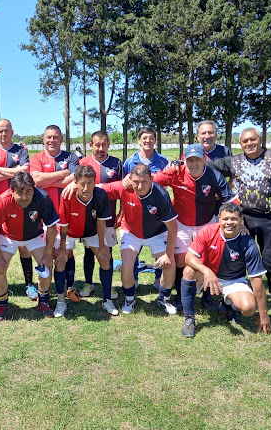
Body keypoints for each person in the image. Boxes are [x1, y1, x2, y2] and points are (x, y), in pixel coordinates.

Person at [210, 128, 271, 323]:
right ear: (240, 143)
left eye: (252, 139)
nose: (249, 143)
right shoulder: (234, 161)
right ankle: (230, 302)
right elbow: (208, 166)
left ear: (260, 139)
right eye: (244, 141)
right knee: (236, 261)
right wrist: (183, 163)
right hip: (243, 220)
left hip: (270, 219)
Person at [148, 143, 237, 310]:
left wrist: (241, 219)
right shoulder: (176, 173)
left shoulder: (214, 175)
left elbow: (230, 199)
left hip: (207, 222)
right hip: (181, 223)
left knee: (210, 260)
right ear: (184, 160)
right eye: (190, 160)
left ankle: (207, 296)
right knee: (180, 259)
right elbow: (151, 181)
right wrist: (164, 171)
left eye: (197, 159)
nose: (193, 164)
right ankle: (181, 297)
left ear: (205, 159)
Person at [181, 203, 271, 338]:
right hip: (207, 276)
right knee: (189, 271)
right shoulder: (207, 232)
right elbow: (189, 257)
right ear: (219, 219)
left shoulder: (248, 243)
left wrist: (263, 314)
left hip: (233, 280)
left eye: (234, 219)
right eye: (225, 219)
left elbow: (256, 280)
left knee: (249, 309)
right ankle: (189, 318)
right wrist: (206, 271)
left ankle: (228, 303)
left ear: (242, 220)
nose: (229, 222)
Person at [100, 163, 178, 314]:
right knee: (127, 265)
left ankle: (164, 299)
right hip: (131, 232)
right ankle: (130, 299)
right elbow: (97, 186)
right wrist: (73, 185)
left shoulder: (161, 194)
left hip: (157, 232)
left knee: (170, 264)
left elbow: (172, 227)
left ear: (152, 179)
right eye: (136, 182)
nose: (140, 186)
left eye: (144, 182)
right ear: (129, 179)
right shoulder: (123, 187)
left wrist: (168, 255)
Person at [0, 171, 59, 321]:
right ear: (11, 191)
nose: (24, 197)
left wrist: (47, 254)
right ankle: (2, 304)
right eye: (19, 192)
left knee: (46, 266)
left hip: (34, 236)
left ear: (34, 189)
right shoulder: (3, 200)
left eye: (28, 192)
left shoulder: (43, 197)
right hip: (9, 237)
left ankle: (43, 301)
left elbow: (51, 227)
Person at [0, 119, 37, 301]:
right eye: (0, 131)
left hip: (20, 202)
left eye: (6, 131)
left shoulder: (20, 150)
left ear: (12, 131)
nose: (3, 134)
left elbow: (25, 172)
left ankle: (29, 284)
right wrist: (13, 171)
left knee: (23, 243)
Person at [56, 165, 116, 316]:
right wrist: (63, 247)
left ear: (95, 182)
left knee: (105, 258)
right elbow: (63, 225)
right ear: (75, 182)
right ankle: (61, 301)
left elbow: (101, 221)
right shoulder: (67, 195)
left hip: (92, 232)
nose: (86, 187)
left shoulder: (100, 195)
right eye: (82, 183)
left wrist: (102, 245)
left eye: (90, 183)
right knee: (61, 259)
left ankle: (107, 300)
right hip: (70, 231)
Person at [30, 125, 79, 301]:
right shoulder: (36, 158)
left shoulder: (71, 157)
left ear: (61, 139)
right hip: (43, 214)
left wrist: (47, 180)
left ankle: (70, 286)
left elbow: (75, 179)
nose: (52, 140)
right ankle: (46, 288)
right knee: (46, 251)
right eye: (48, 137)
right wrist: (64, 173)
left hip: (67, 212)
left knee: (67, 250)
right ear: (44, 139)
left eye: (55, 137)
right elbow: (36, 180)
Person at [76, 130, 122, 299]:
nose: (100, 148)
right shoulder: (83, 163)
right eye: (97, 145)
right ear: (91, 145)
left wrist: (121, 211)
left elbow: (124, 189)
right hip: (87, 218)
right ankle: (88, 283)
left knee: (107, 250)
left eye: (104, 144)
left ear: (109, 145)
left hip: (108, 216)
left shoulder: (117, 163)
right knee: (89, 251)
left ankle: (108, 285)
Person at [123, 127, 170, 290]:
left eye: (151, 138)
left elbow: (170, 183)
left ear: (155, 140)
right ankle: (133, 278)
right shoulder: (130, 162)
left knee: (159, 250)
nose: (147, 141)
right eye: (144, 138)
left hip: (156, 215)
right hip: (135, 213)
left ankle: (159, 279)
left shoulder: (163, 161)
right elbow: (124, 189)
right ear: (138, 140)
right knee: (133, 249)